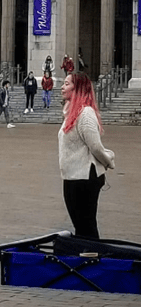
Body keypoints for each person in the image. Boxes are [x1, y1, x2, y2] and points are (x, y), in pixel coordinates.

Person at [59, 72, 114, 239]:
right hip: (71, 176)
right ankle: (84, 257)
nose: (62, 87)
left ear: (78, 88)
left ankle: (92, 258)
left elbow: (96, 147)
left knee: (86, 225)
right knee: (80, 225)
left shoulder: (86, 113)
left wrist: (109, 161)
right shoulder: (71, 113)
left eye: (67, 84)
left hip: (85, 176)